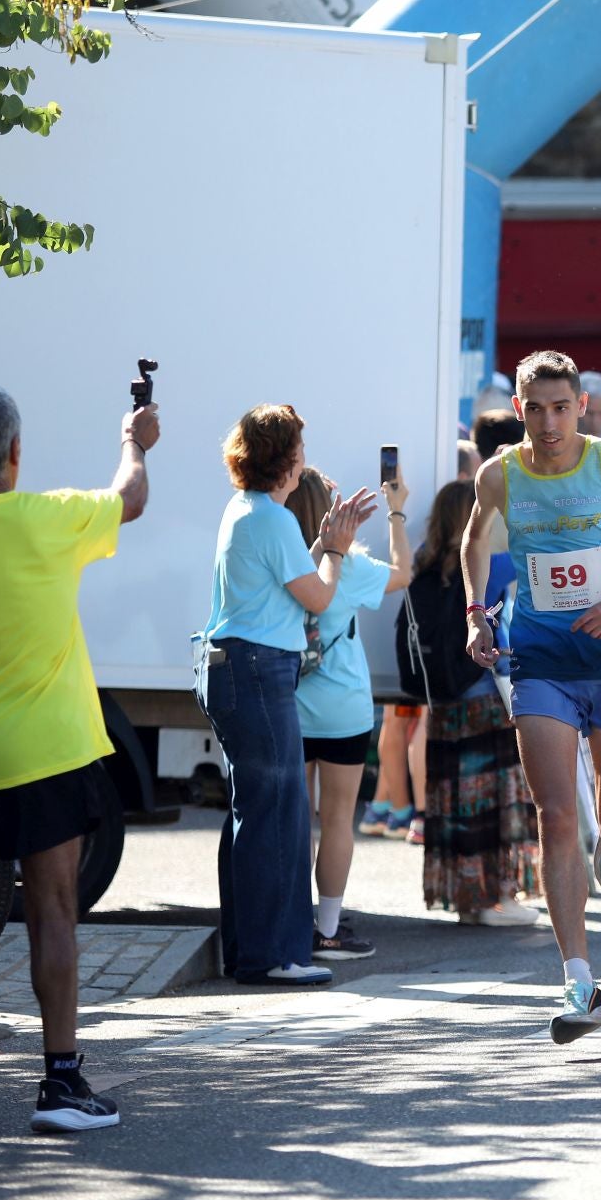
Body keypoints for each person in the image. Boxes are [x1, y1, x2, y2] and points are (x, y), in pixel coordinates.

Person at [0, 384, 158, 1138]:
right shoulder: (52, 518)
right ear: (16, 453)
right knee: (53, 910)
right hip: (43, 752)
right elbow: (131, 496)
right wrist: (135, 438)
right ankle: (61, 1082)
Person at [460, 351, 601, 1044]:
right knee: (556, 812)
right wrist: (476, 612)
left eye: (561, 407)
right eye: (536, 408)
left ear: (581, 407)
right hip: (542, 657)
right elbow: (474, 538)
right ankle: (578, 980)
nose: (549, 421)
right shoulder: (498, 474)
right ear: (521, 408)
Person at [197, 404, 377, 990]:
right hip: (256, 668)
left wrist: (325, 544)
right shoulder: (270, 518)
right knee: (278, 814)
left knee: (254, 811)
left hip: (237, 666)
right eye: (298, 447)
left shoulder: (245, 509)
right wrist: (336, 547)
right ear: (286, 458)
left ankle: (251, 952)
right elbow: (320, 599)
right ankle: (276, 954)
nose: (304, 457)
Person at [282, 466, 412, 961]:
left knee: (292, 818)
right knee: (336, 819)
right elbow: (404, 573)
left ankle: (287, 920)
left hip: (287, 703)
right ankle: (329, 928)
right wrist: (396, 511)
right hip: (342, 709)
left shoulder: (282, 559)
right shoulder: (351, 567)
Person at [410, 481, 539, 928]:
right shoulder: (493, 565)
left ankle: (467, 897)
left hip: (444, 703)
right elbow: (529, 551)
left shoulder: (423, 567)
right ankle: (494, 896)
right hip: (483, 696)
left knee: (454, 802)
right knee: (495, 803)